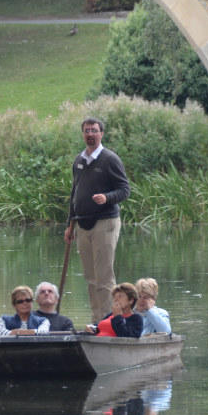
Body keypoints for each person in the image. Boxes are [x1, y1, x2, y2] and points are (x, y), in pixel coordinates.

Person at [65, 116, 130, 324]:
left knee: (104, 278)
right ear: (82, 134)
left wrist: (107, 198)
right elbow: (74, 193)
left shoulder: (110, 159)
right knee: (91, 278)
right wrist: (69, 225)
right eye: (86, 130)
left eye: (94, 130)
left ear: (102, 133)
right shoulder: (79, 160)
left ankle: (108, 321)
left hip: (105, 222)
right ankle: (97, 321)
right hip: (81, 223)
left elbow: (124, 189)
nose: (90, 134)